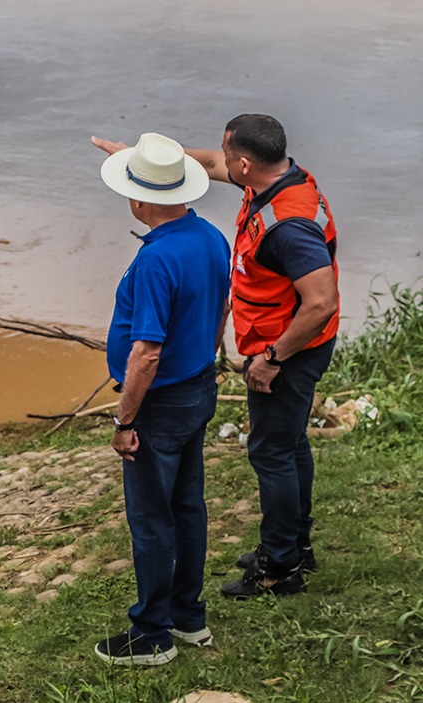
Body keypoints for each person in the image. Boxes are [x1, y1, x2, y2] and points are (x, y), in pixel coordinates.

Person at [95, 114, 339, 598]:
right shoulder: (277, 177)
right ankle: (295, 543)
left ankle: (279, 566)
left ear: (245, 164)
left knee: (272, 453)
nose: (217, 163)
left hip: (289, 347)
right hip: (280, 342)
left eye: (227, 157)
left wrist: (271, 357)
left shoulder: (290, 226)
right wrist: (141, 163)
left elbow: (321, 303)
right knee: (289, 445)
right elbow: (201, 162)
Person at [90, 132, 230, 665]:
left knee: (152, 518)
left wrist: (126, 420)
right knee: (188, 506)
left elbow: (145, 354)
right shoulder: (211, 237)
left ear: (138, 200)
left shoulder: (155, 261)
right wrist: (207, 357)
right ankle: (188, 617)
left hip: (163, 402)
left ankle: (151, 635)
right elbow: (222, 309)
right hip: (198, 389)